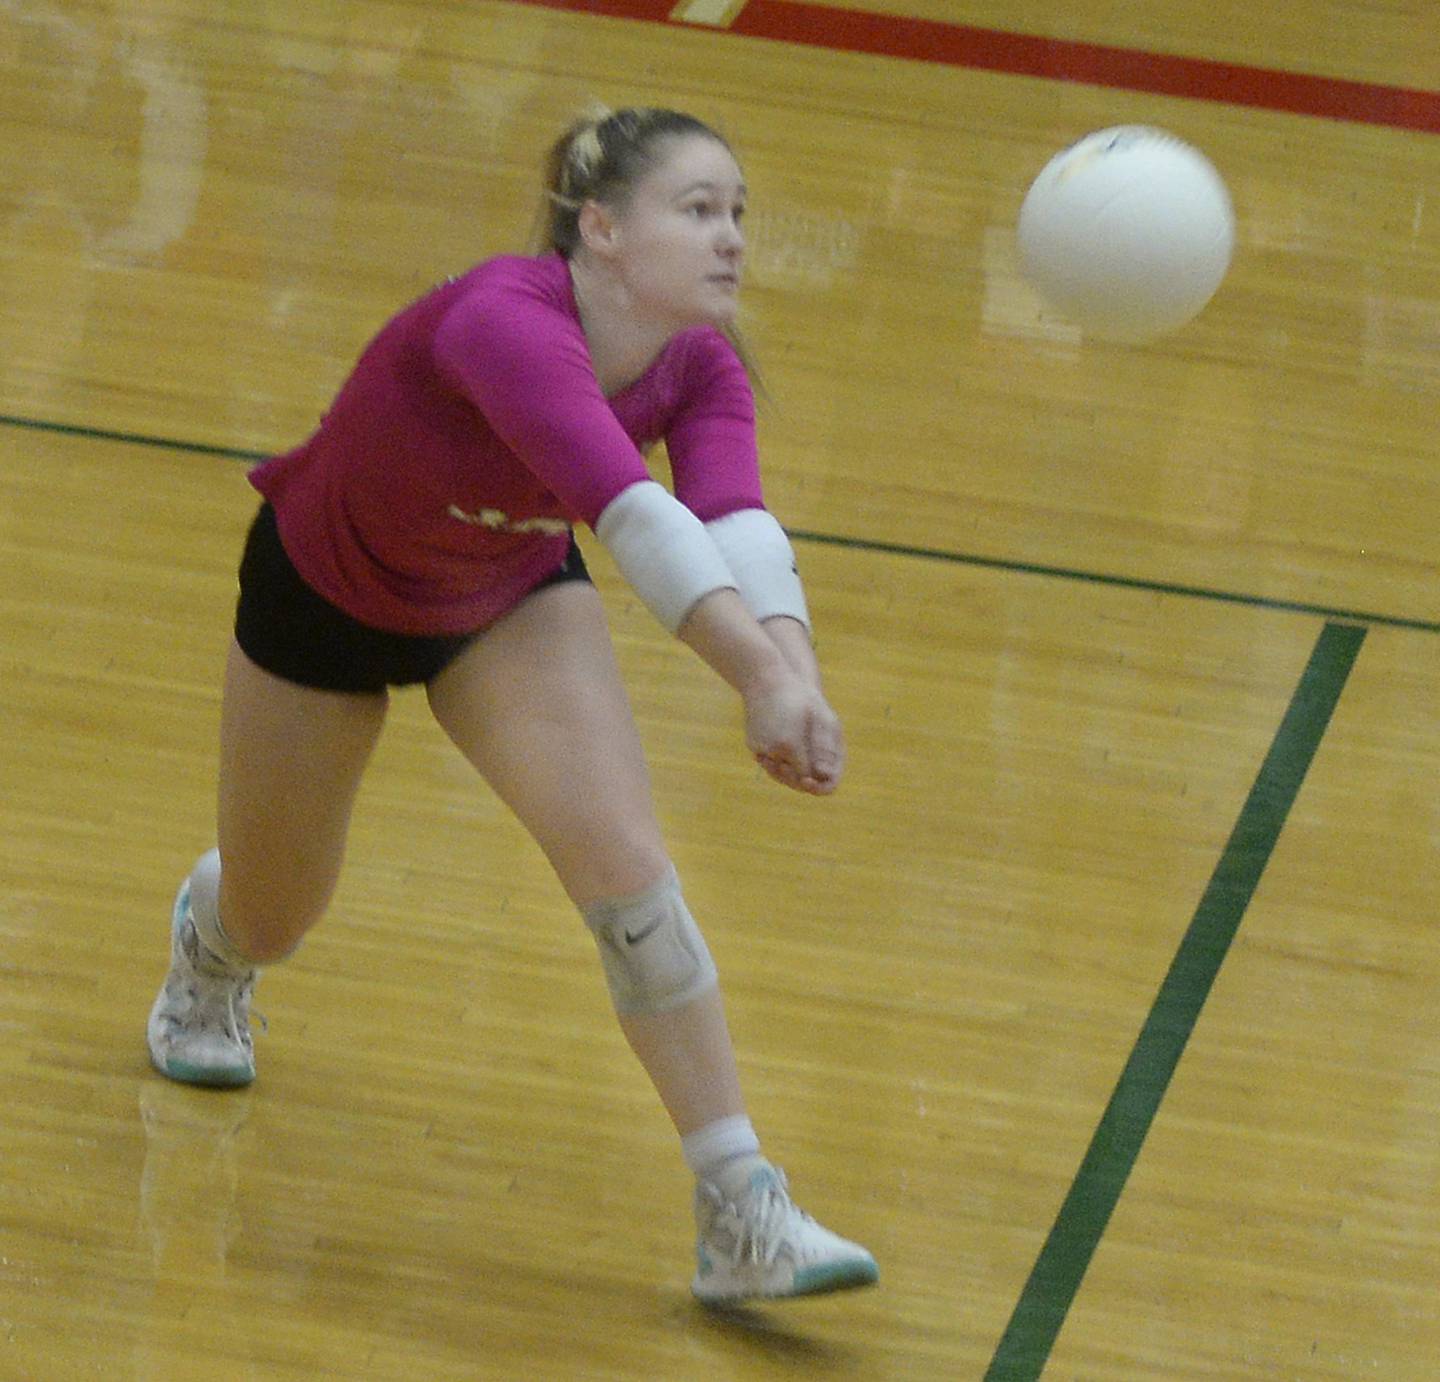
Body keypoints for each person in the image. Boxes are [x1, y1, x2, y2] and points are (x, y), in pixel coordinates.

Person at [146, 105, 878, 1306]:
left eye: (738, 212)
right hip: (324, 589)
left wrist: (793, 674)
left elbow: (737, 526)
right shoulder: (504, 319)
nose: (733, 238)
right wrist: (757, 682)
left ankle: (740, 1205)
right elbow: (632, 514)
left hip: (502, 598)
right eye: (698, 210)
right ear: (598, 226)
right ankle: (213, 941)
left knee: (631, 883)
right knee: (279, 910)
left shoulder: (702, 362)